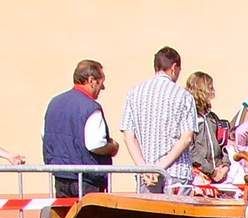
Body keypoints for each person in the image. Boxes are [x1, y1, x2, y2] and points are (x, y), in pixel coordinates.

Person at [120, 46, 196, 193]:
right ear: (174, 67)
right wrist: (159, 167)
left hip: (146, 174)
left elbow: (129, 137)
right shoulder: (183, 96)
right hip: (176, 173)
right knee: (178, 216)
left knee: (148, 216)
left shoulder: (134, 93)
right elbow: (186, 138)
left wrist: (145, 168)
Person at [42, 59, 119, 198]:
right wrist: (113, 147)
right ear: (91, 80)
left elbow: (45, 135)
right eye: (101, 82)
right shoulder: (90, 107)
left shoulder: (54, 103)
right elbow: (96, 144)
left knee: (65, 217)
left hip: (61, 177)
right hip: (87, 179)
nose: (103, 88)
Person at [185, 71, 229, 186]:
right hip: (198, 176)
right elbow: (190, 149)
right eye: (210, 87)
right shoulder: (190, 117)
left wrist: (225, 166)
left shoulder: (213, 117)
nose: (213, 91)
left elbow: (223, 145)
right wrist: (211, 170)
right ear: (201, 90)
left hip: (218, 175)